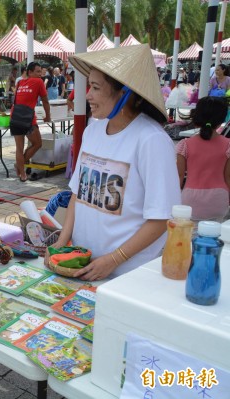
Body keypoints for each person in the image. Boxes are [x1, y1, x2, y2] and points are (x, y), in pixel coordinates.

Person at [47, 44, 181, 281]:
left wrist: (114, 259)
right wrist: (61, 241)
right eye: (89, 86)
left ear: (125, 94)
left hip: (126, 275)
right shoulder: (92, 131)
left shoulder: (151, 140)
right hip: (81, 262)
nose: (87, 95)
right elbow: (78, 194)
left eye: (96, 88)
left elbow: (161, 219)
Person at [176, 96, 230, 221]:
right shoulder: (228, 145)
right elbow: (228, 177)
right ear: (221, 119)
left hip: (190, 200)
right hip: (218, 198)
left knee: (188, 236)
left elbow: (178, 176)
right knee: (214, 235)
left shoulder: (185, 144)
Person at [11, 62, 51, 182]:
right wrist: (47, 116)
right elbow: (45, 101)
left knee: (19, 147)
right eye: (37, 71)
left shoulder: (19, 82)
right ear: (30, 72)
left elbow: (17, 101)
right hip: (27, 118)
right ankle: (20, 168)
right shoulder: (39, 82)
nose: (40, 74)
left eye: (40, 71)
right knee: (37, 143)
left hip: (15, 116)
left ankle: (21, 171)